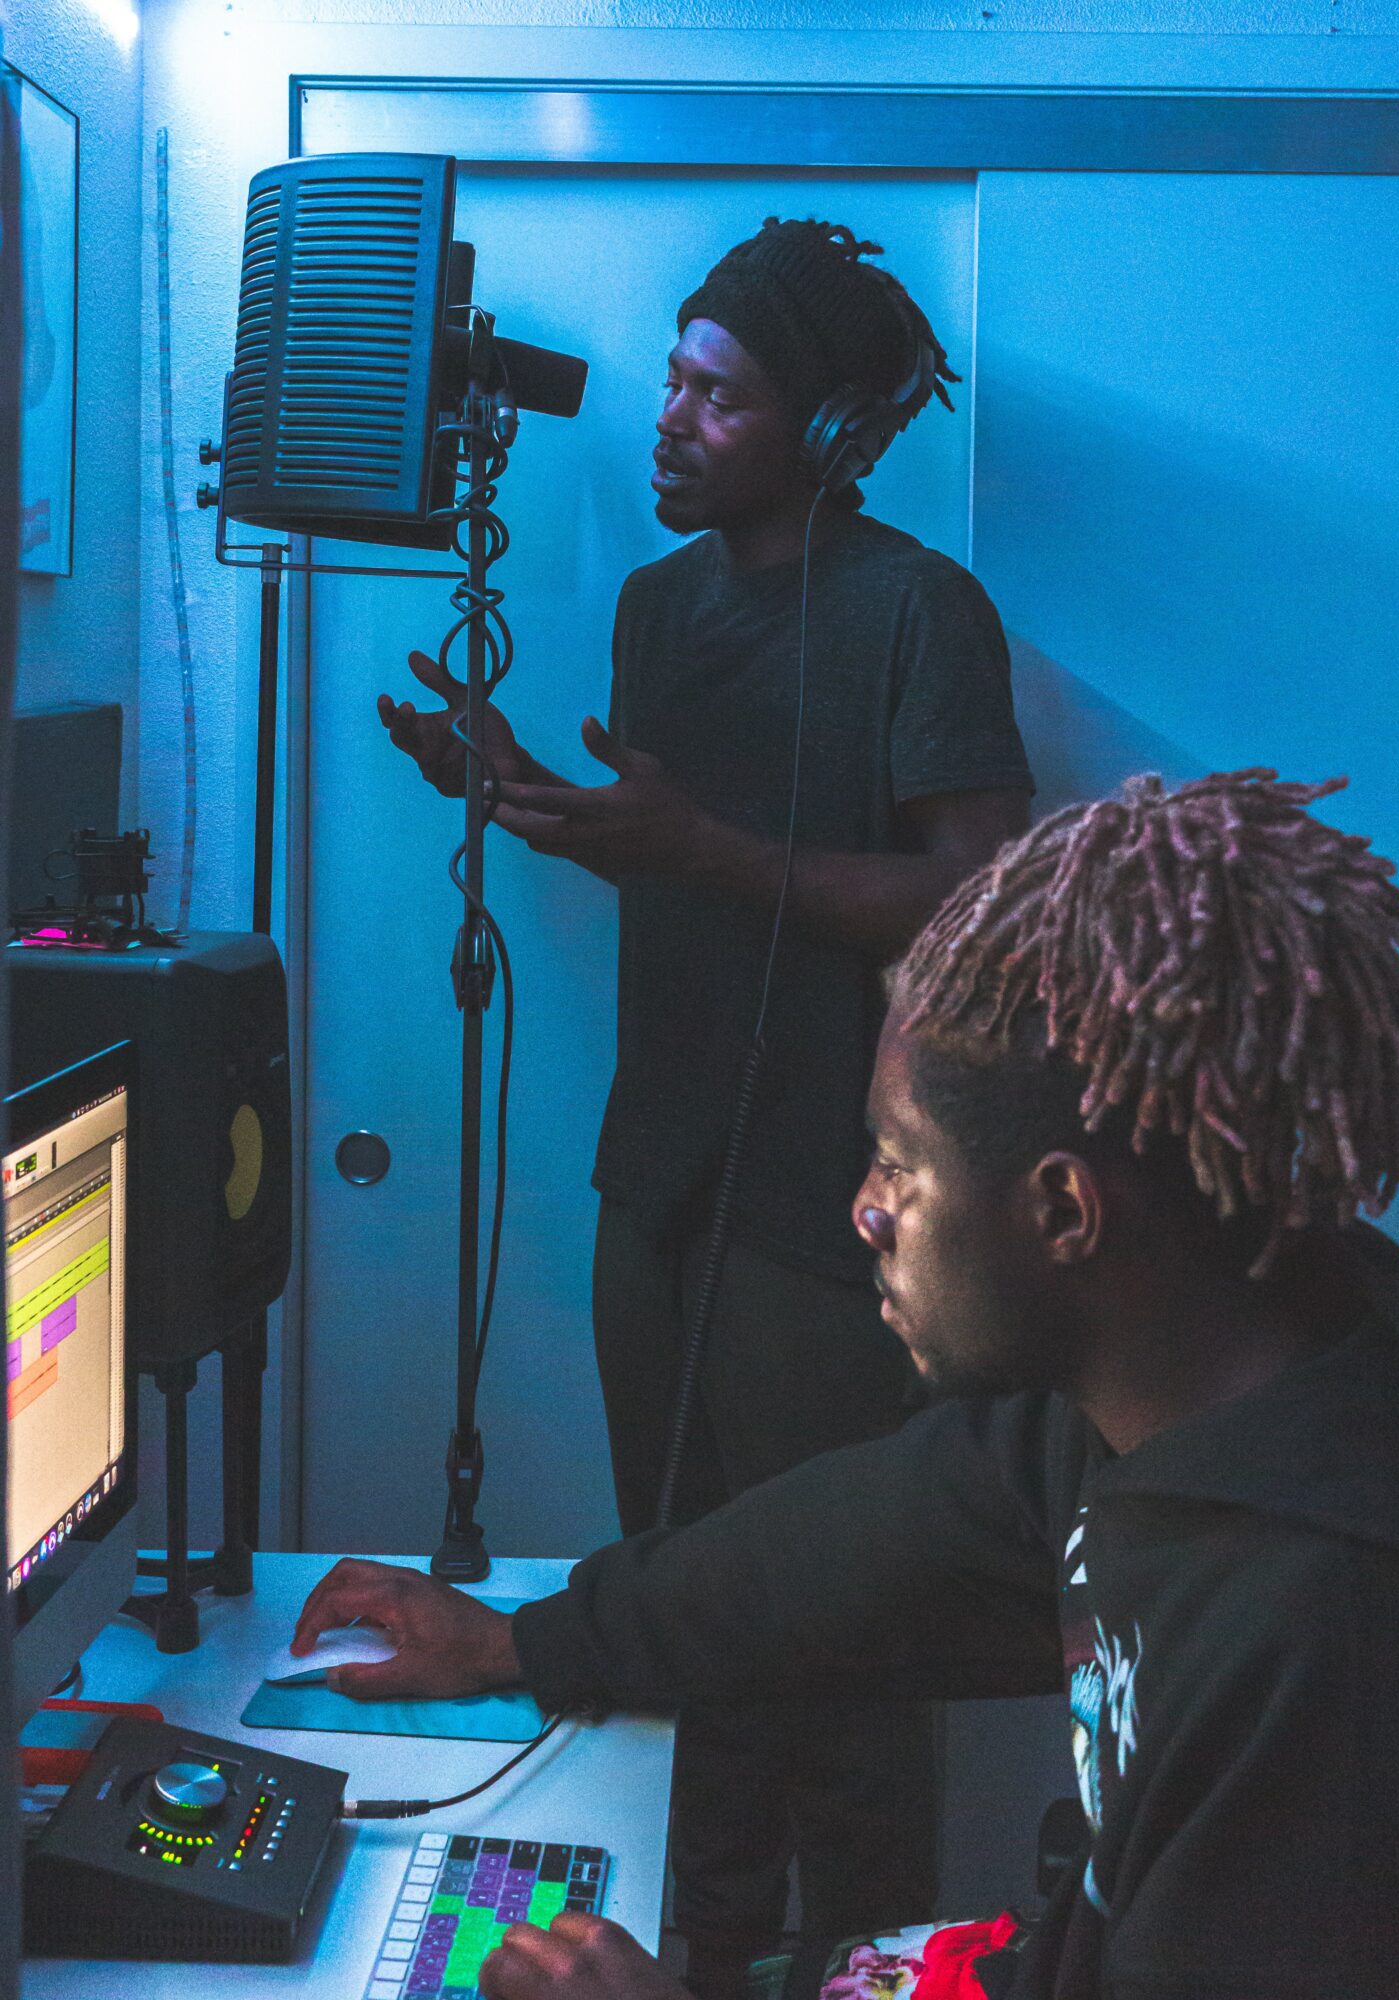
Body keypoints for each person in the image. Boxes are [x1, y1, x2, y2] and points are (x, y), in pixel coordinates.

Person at [300, 768, 1399, 2000]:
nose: (865, 1208)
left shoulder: (1341, 1658)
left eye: (899, 1162)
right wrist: (523, 1639)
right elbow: (851, 1547)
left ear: (1064, 1210)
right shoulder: (1191, 1368)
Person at [378, 216, 1035, 1993]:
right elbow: (672, 855)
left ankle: (873, 1963)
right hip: (656, 1189)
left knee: (842, 1647)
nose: (667, 420)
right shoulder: (656, 608)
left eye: (715, 396)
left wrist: (699, 847)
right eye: (673, 379)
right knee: (685, 1608)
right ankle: (698, 1959)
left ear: (824, 432)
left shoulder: (918, 613)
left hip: (835, 1221)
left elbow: (980, 898)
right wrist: (521, 792)